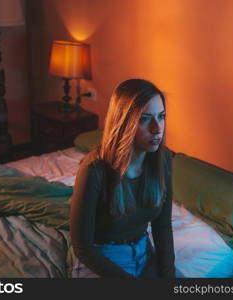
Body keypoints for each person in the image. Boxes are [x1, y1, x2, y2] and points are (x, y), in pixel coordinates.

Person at [69, 78, 175, 278]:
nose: (157, 128)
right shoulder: (94, 168)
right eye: (145, 119)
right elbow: (83, 248)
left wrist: (169, 276)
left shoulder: (164, 160)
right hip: (103, 257)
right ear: (124, 123)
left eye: (161, 117)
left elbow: (162, 226)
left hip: (143, 251)